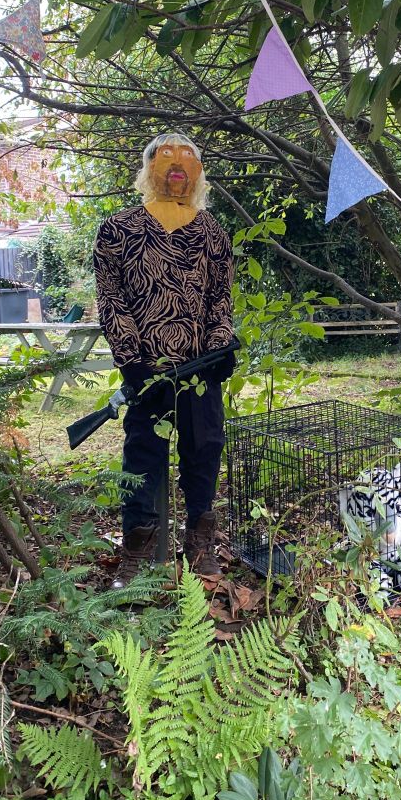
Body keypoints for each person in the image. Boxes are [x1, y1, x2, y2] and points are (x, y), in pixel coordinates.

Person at [93, 132, 236, 586]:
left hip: (199, 371)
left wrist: (218, 348)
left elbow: (219, 299)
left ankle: (200, 545)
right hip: (147, 371)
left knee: (205, 449)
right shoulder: (119, 228)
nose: (177, 164)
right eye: (166, 156)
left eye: (187, 157)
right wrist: (131, 359)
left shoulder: (212, 231)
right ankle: (136, 551)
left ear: (198, 171)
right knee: (142, 457)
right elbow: (111, 297)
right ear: (149, 167)